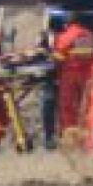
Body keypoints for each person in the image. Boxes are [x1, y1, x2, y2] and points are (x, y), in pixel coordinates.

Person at [51, 14, 93, 147]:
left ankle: (71, 143)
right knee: (92, 113)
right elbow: (90, 54)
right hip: (92, 75)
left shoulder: (67, 35)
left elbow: (58, 56)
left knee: (68, 111)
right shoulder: (91, 35)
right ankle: (91, 145)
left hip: (70, 75)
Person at [37, 11, 66, 150]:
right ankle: (49, 138)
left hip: (60, 78)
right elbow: (39, 52)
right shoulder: (46, 38)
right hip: (48, 78)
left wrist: (47, 53)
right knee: (48, 109)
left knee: (59, 109)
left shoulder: (64, 37)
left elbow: (61, 57)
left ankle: (60, 137)